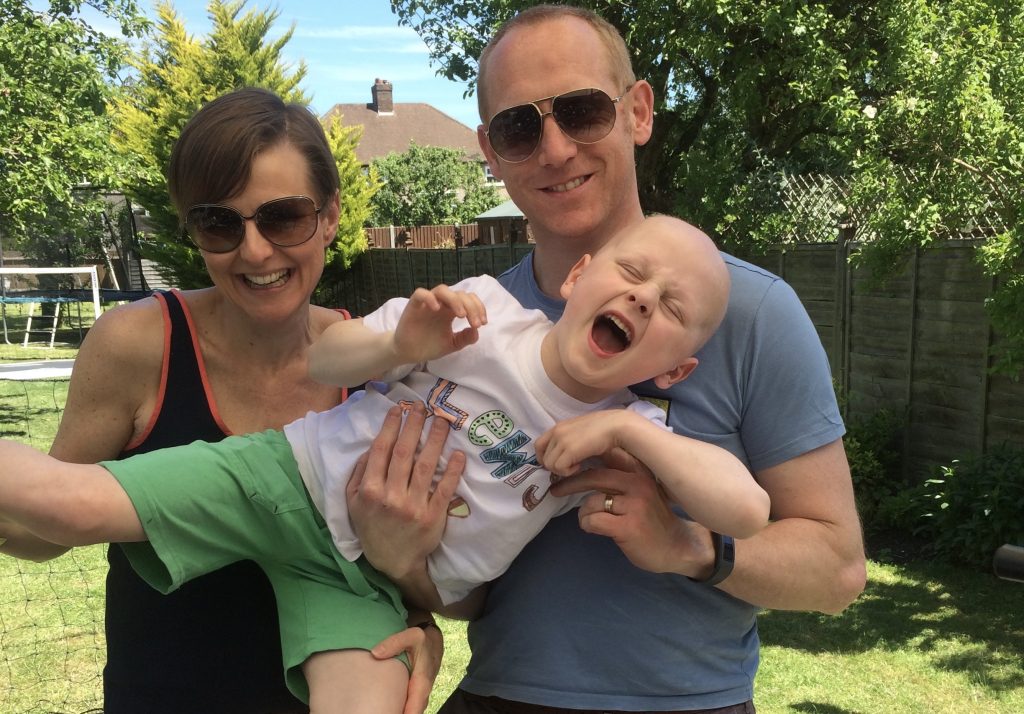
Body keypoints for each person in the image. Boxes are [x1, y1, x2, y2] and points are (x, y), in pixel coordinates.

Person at [0, 215, 771, 712]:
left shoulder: (628, 427)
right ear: (578, 278)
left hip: (371, 585)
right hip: (285, 481)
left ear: (675, 370)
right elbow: (326, 355)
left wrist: (638, 441)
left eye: (672, 309)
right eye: (633, 275)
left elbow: (747, 512)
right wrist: (403, 344)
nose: (642, 301)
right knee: (69, 502)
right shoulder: (483, 314)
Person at [348, 5, 869, 713]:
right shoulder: (467, 326)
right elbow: (469, 591)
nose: (554, 149)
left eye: (583, 111)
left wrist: (689, 547)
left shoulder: (752, 314)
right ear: (490, 152)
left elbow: (836, 570)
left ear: (639, 112)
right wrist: (401, 561)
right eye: (519, 128)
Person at [0, 88, 443, 714]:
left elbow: (396, 560)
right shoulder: (141, 343)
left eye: (284, 217)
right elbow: (46, 528)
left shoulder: (378, 367)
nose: (256, 251)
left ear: (331, 215)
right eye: (219, 223)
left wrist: (423, 630)